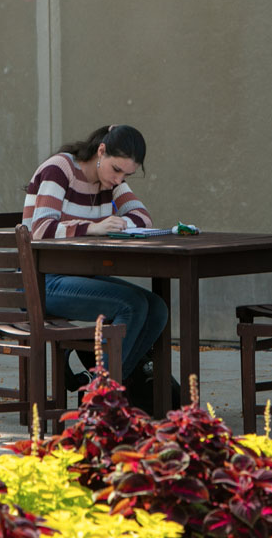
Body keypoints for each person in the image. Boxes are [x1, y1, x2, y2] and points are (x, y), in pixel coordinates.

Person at [23, 124, 177, 412]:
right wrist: (94, 227)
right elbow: (40, 229)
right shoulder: (60, 169)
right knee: (131, 305)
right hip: (42, 282)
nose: (119, 179)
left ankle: (98, 387)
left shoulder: (111, 182)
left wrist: (117, 223)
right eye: (116, 170)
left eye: (126, 175)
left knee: (157, 308)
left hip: (80, 278)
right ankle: (100, 401)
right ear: (101, 151)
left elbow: (143, 219)